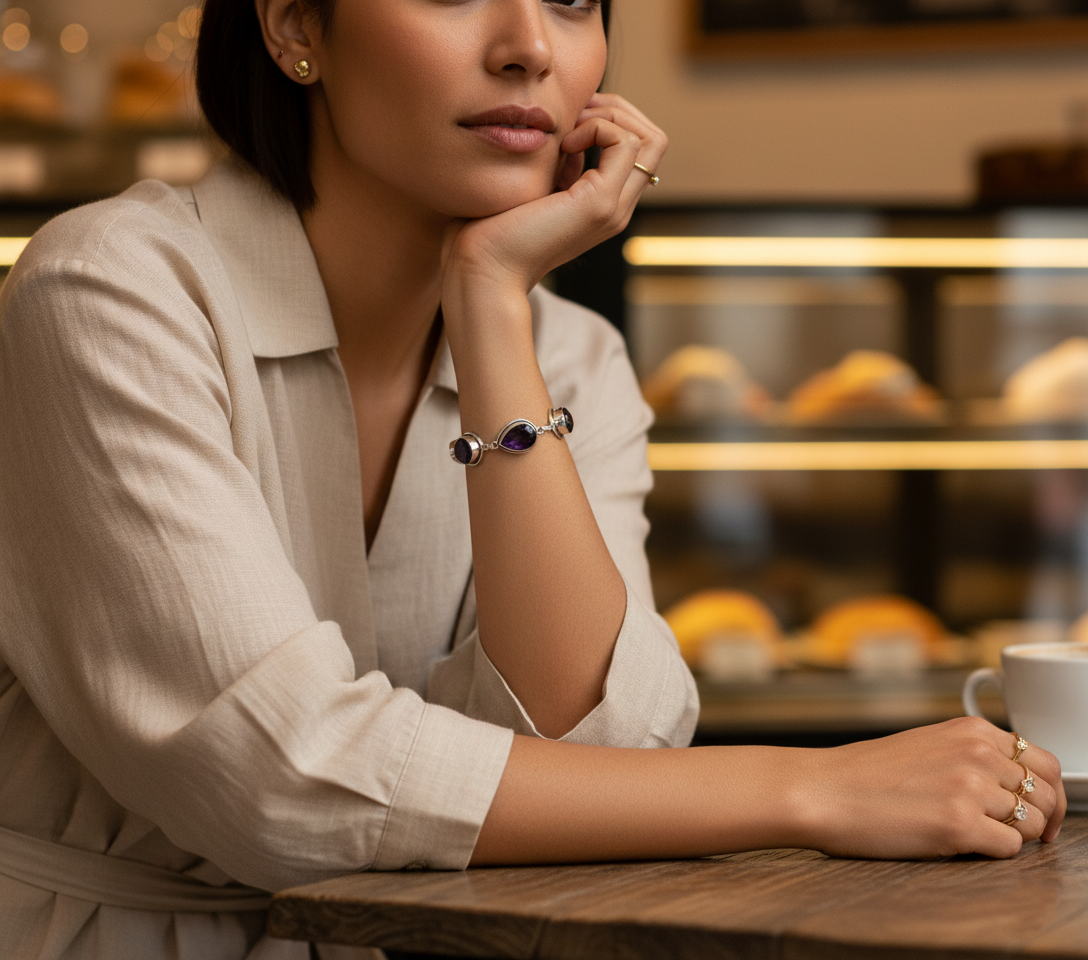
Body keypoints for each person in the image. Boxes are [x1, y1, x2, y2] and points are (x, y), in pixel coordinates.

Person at [0, 0, 1066, 958]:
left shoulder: (573, 354)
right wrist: (812, 786)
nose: (526, 48)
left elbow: (599, 741)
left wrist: (490, 300)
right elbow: (279, 775)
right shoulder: (107, 292)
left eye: (570, 0)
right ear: (295, 31)